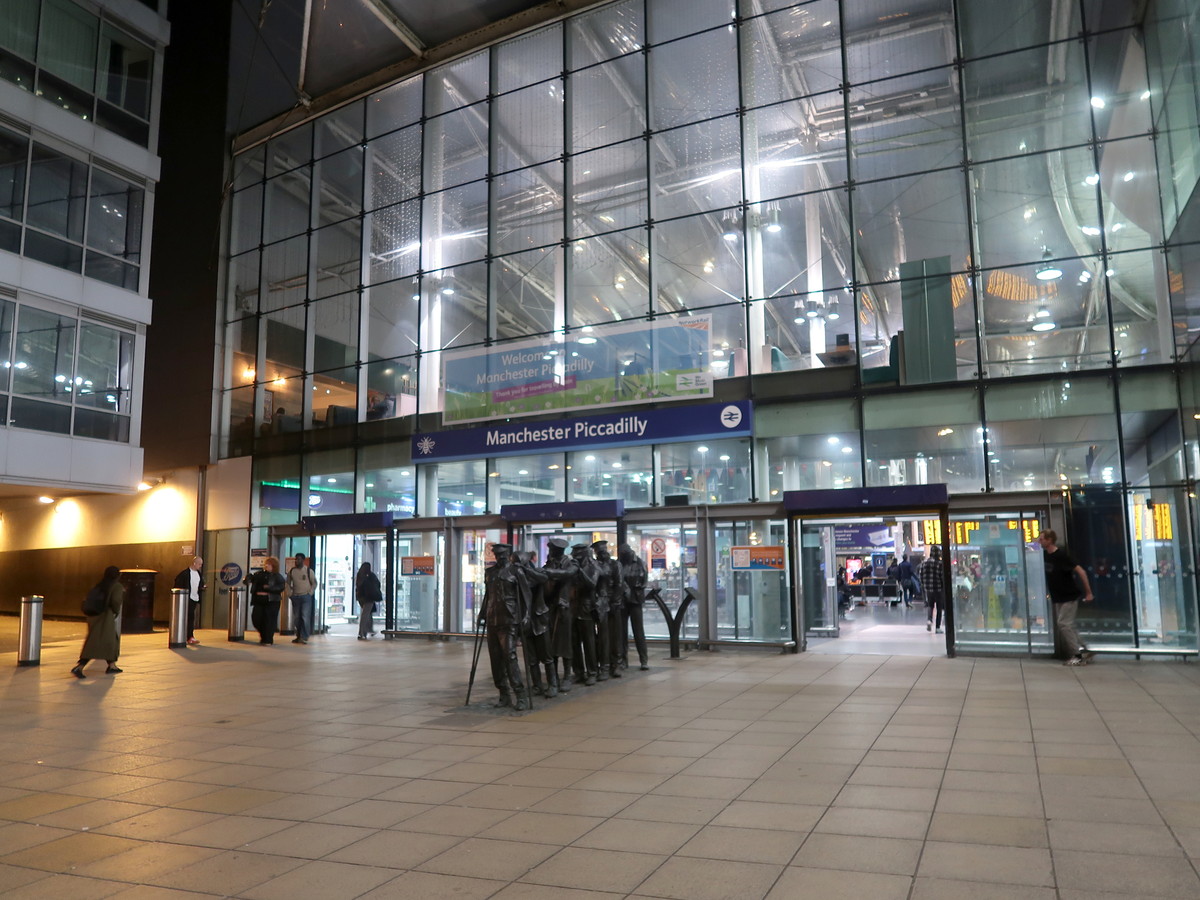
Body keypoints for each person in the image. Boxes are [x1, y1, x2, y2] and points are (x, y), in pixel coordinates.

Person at [1038, 529, 1095, 665]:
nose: (1039, 541)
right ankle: (1084, 650)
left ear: (1049, 540)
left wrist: (1088, 592)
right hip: (1059, 597)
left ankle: (1077, 655)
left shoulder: (1061, 556)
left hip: (1069, 596)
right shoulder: (1045, 555)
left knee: (1063, 624)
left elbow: (1081, 572)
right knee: (1068, 625)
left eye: (1041, 539)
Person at [72, 566, 124, 678]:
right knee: (103, 642)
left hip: (93, 616)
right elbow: (115, 601)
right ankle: (80, 666)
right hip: (105, 617)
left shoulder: (100, 584)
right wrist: (115, 612)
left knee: (107, 641)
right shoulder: (117, 586)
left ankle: (112, 665)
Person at [619, 543, 649, 670]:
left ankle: (643, 660)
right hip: (622, 601)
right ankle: (623, 660)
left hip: (635, 600)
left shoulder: (640, 563)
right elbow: (617, 580)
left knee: (638, 631)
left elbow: (643, 580)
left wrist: (631, 587)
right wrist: (625, 589)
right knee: (621, 632)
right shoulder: (619, 564)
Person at [247, 556, 285, 644]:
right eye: (266, 564)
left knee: (269, 621)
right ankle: (264, 635)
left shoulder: (277, 577)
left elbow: (281, 587)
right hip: (259, 600)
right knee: (256, 619)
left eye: (269, 564)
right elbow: (251, 578)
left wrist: (269, 588)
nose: (266, 566)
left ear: (274, 566)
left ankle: (267, 639)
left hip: (272, 601)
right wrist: (248, 578)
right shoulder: (259, 574)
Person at [173, 556, 205, 645]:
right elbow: (178, 584)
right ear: (194, 563)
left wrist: (201, 588)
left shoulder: (199, 574)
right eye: (199, 564)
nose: (200, 566)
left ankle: (189, 636)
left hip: (195, 598)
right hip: (187, 598)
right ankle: (188, 636)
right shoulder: (185, 574)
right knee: (188, 617)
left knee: (191, 617)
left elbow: (199, 584)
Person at [287, 552, 317, 645]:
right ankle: (299, 636)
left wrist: (310, 593)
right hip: (296, 597)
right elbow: (287, 583)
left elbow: (314, 583)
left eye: (299, 559)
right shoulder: (292, 571)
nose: (297, 561)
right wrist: (290, 594)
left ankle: (304, 637)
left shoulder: (308, 571)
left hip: (305, 597)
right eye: (296, 559)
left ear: (303, 560)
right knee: (297, 618)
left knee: (305, 617)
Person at [919, 546, 946, 633]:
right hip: (938, 589)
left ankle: (929, 620)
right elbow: (942, 577)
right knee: (939, 608)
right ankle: (937, 627)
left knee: (930, 605)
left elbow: (921, 575)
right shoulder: (940, 563)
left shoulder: (924, 563)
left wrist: (924, 585)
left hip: (928, 589)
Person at [356, 562, 382, 639]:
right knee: (366, 615)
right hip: (369, 598)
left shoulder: (359, 575)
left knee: (367, 614)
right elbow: (377, 584)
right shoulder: (370, 575)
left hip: (361, 598)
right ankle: (362, 632)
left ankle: (368, 630)